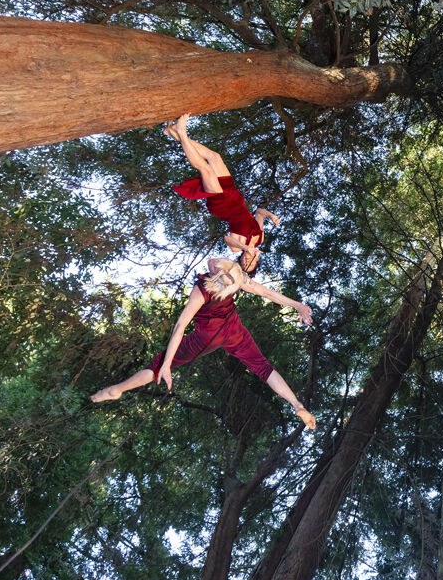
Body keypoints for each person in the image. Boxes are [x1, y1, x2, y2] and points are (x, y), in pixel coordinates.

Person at [90, 259, 316, 429]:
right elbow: (267, 292)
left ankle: (118, 389)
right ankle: (296, 404)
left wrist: (168, 363)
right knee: (262, 367)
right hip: (234, 333)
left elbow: (180, 326)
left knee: (159, 363)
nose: (215, 261)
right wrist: (296, 305)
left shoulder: (202, 290)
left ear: (218, 274)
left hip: (205, 338)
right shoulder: (237, 279)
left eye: (218, 264)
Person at [165, 113, 280, 274]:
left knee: (205, 168)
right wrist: (271, 215)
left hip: (222, 205)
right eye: (251, 264)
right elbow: (259, 213)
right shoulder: (260, 238)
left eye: (244, 264)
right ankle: (172, 133)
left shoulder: (235, 247)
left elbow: (227, 238)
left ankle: (181, 132)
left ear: (240, 260)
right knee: (214, 157)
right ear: (257, 260)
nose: (247, 260)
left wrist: (246, 247)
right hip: (233, 196)